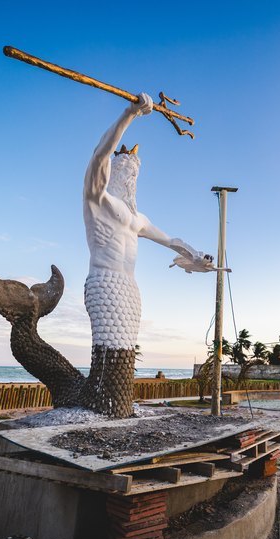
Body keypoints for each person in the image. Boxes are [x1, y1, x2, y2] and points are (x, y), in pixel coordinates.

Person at [81, 92, 210, 416]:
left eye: (134, 173)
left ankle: (116, 406)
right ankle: (104, 406)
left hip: (130, 288)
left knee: (124, 351)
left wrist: (196, 257)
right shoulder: (98, 199)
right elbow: (99, 155)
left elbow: (171, 240)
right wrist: (131, 114)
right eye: (127, 170)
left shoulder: (138, 218)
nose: (131, 178)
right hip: (105, 279)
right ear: (116, 170)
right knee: (110, 349)